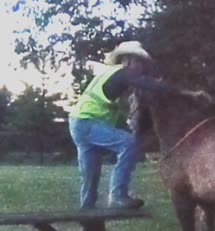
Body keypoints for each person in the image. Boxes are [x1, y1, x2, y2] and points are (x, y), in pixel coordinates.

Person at [69, 41, 168, 209]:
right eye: (139, 62)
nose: (141, 68)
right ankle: (117, 195)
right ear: (128, 60)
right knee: (129, 143)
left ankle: (87, 221)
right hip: (87, 121)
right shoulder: (122, 73)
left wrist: (127, 126)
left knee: (90, 176)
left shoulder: (112, 77)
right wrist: (184, 92)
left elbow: (111, 113)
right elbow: (148, 84)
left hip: (79, 123)